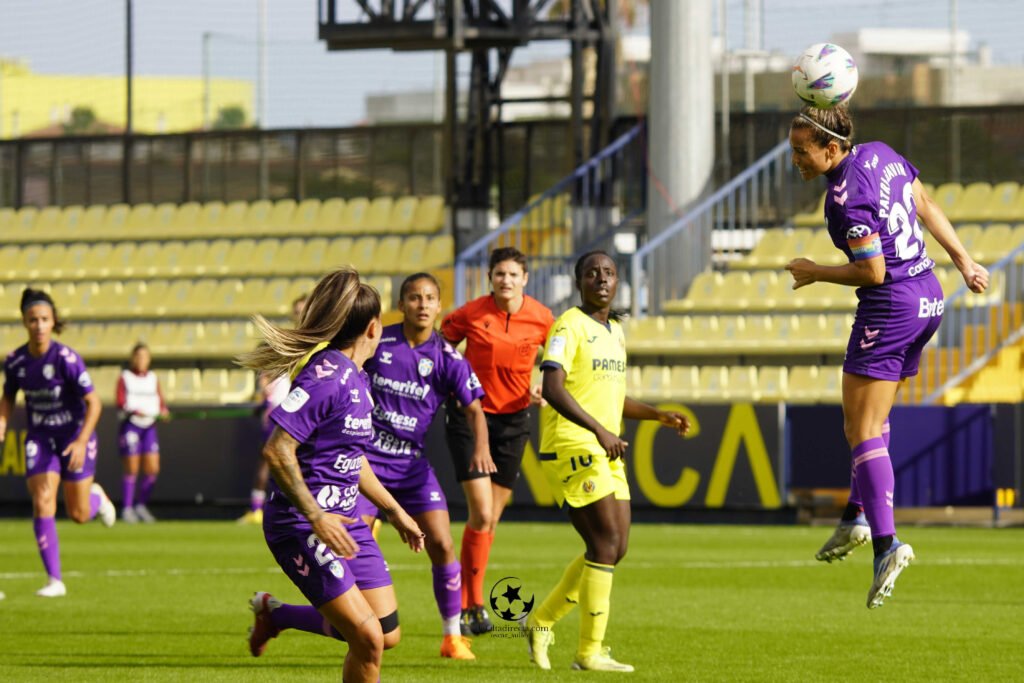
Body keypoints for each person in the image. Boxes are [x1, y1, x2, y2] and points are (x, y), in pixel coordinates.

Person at [784, 104, 989, 608]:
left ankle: (885, 543)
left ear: (831, 148)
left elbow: (872, 272)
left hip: (890, 305)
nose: (796, 160)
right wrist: (964, 262)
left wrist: (815, 271)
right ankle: (856, 514)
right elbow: (923, 202)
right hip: (929, 297)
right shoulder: (882, 154)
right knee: (876, 421)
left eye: (802, 150)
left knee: (861, 429)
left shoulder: (843, 199)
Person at [236, 268, 425, 683]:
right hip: (303, 523)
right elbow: (277, 448)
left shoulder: (357, 378)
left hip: (347, 521)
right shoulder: (327, 377)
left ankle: (276, 615)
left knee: (386, 632)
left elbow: (352, 459)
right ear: (374, 328)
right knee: (367, 638)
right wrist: (317, 517)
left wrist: (393, 510)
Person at [523, 251, 689, 672]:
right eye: (592, 273)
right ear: (578, 281)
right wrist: (599, 430)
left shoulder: (615, 330)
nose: (601, 278)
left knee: (616, 548)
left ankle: (541, 621)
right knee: (603, 544)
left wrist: (656, 415)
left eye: (609, 273)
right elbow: (554, 388)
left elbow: (612, 397)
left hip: (605, 446)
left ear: (618, 283)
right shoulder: (568, 326)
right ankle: (588, 653)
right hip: (573, 444)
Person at [358, 272, 491, 660]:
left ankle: (452, 637)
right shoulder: (378, 341)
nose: (422, 304)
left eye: (429, 298)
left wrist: (481, 448)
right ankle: (357, 624)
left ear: (438, 305)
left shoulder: (448, 358)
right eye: (414, 298)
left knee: (442, 542)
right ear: (401, 305)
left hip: (411, 468)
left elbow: (475, 410)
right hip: (365, 466)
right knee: (355, 549)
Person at [440, 246, 555, 635]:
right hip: (471, 419)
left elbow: (559, 361)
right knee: (483, 514)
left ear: (525, 278)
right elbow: (440, 350)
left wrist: (545, 387)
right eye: (499, 274)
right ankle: (471, 606)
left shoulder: (542, 318)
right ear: (490, 278)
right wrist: (455, 383)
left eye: (512, 274)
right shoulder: (471, 313)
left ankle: (467, 602)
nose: (505, 280)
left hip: (514, 422)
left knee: (490, 521)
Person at [0, 288, 115, 598]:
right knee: (43, 500)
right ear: (24, 322)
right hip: (40, 438)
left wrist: (80, 441)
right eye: (33, 319)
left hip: (74, 436)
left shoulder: (66, 359)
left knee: (78, 514)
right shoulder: (16, 361)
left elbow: (94, 403)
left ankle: (97, 500)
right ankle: (55, 580)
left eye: (44, 319)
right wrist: (2, 420)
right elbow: (9, 394)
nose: (38, 325)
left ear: (53, 323)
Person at [239, 294, 307, 524]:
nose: (299, 315)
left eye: (303, 310)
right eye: (296, 311)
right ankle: (263, 508)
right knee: (274, 459)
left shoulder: (318, 343)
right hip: (284, 411)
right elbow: (266, 376)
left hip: (306, 411)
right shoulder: (286, 343)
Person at [116, 342, 169, 523]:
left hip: (149, 426)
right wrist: (135, 410)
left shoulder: (153, 378)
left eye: (145, 356)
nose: (141, 360)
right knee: (132, 468)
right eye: (138, 356)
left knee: (152, 468)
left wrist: (163, 411)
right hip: (132, 425)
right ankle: (127, 508)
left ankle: (141, 505)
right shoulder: (125, 377)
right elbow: (121, 402)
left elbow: (160, 401)